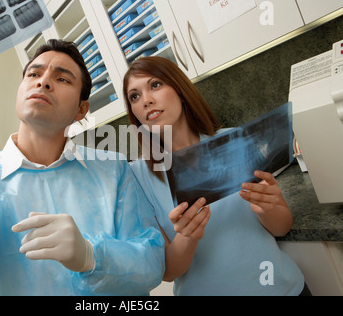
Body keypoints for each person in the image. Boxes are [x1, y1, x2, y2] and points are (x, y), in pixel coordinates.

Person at [0, 39, 165, 295]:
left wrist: (91, 256)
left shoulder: (113, 170)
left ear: (81, 110)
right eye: (33, 74)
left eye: (62, 79)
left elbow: (152, 264)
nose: (43, 81)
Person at [123, 56, 307, 295]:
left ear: (179, 89)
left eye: (155, 85)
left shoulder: (233, 140)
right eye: (134, 96)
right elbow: (168, 272)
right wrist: (187, 236)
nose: (146, 100)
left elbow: (282, 226)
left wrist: (268, 207)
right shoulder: (136, 177)